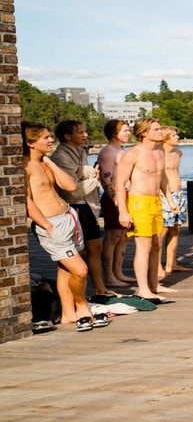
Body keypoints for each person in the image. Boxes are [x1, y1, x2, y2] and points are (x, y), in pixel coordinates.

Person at [23, 123, 103, 332]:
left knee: (66, 269)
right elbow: (27, 201)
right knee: (80, 269)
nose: (50, 140)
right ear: (30, 143)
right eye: (45, 138)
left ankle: (68, 314)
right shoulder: (25, 167)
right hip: (51, 224)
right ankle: (82, 306)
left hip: (68, 217)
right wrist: (46, 225)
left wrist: (50, 163)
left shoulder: (44, 163)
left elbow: (70, 186)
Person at [50, 120, 114, 300]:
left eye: (85, 132)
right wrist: (94, 176)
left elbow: (81, 175)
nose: (85, 135)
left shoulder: (80, 152)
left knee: (95, 246)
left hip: (88, 206)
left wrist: (87, 173)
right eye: (81, 132)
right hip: (74, 207)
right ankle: (78, 297)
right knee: (78, 253)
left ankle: (100, 289)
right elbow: (71, 188)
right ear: (67, 136)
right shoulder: (60, 157)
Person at [113, 117, 175, 302]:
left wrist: (170, 200)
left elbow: (162, 178)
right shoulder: (132, 154)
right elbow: (119, 184)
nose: (160, 132)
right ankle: (142, 289)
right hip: (138, 202)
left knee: (156, 244)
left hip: (156, 201)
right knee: (144, 246)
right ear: (143, 133)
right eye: (156, 129)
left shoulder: (160, 152)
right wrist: (123, 212)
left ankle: (154, 284)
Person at [96, 119, 134, 288]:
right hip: (114, 198)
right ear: (114, 133)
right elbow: (106, 179)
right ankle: (109, 276)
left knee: (123, 236)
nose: (128, 133)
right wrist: (117, 202)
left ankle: (118, 272)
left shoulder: (122, 150)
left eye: (128, 130)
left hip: (127, 194)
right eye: (124, 130)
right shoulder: (107, 152)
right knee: (112, 236)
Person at [160, 126, 190, 277]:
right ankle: (157, 266)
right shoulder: (159, 154)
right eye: (174, 135)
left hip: (179, 193)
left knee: (176, 229)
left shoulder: (178, 153)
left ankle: (171, 263)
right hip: (165, 195)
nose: (177, 137)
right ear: (165, 138)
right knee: (163, 230)